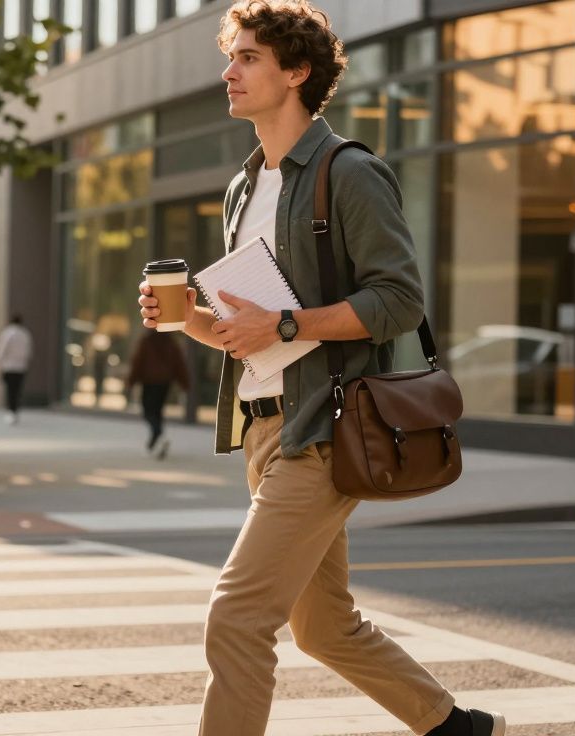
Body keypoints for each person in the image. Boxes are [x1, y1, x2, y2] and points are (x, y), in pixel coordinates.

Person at [138, 3, 503, 734]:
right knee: (324, 626)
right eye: (232, 56)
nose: (229, 72)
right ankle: (456, 728)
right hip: (263, 429)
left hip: (324, 430)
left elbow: (399, 300)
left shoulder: (350, 173)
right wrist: (190, 320)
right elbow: (250, 336)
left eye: (248, 58)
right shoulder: (244, 188)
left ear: (297, 72)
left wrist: (283, 322)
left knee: (237, 616)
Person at [126, 330, 191, 459]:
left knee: (148, 411)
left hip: (149, 381)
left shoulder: (147, 341)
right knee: (156, 411)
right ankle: (157, 439)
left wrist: (131, 381)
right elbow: (179, 363)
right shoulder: (170, 342)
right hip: (164, 382)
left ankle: (158, 435)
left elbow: (138, 361)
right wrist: (184, 383)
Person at [0, 315, 33, 425]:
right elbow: (28, 352)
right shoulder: (25, 334)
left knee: (10, 390)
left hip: (9, 367)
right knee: (17, 390)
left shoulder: (8, 333)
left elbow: (1, 350)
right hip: (21, 367)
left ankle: (11, 411)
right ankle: (14, 410)